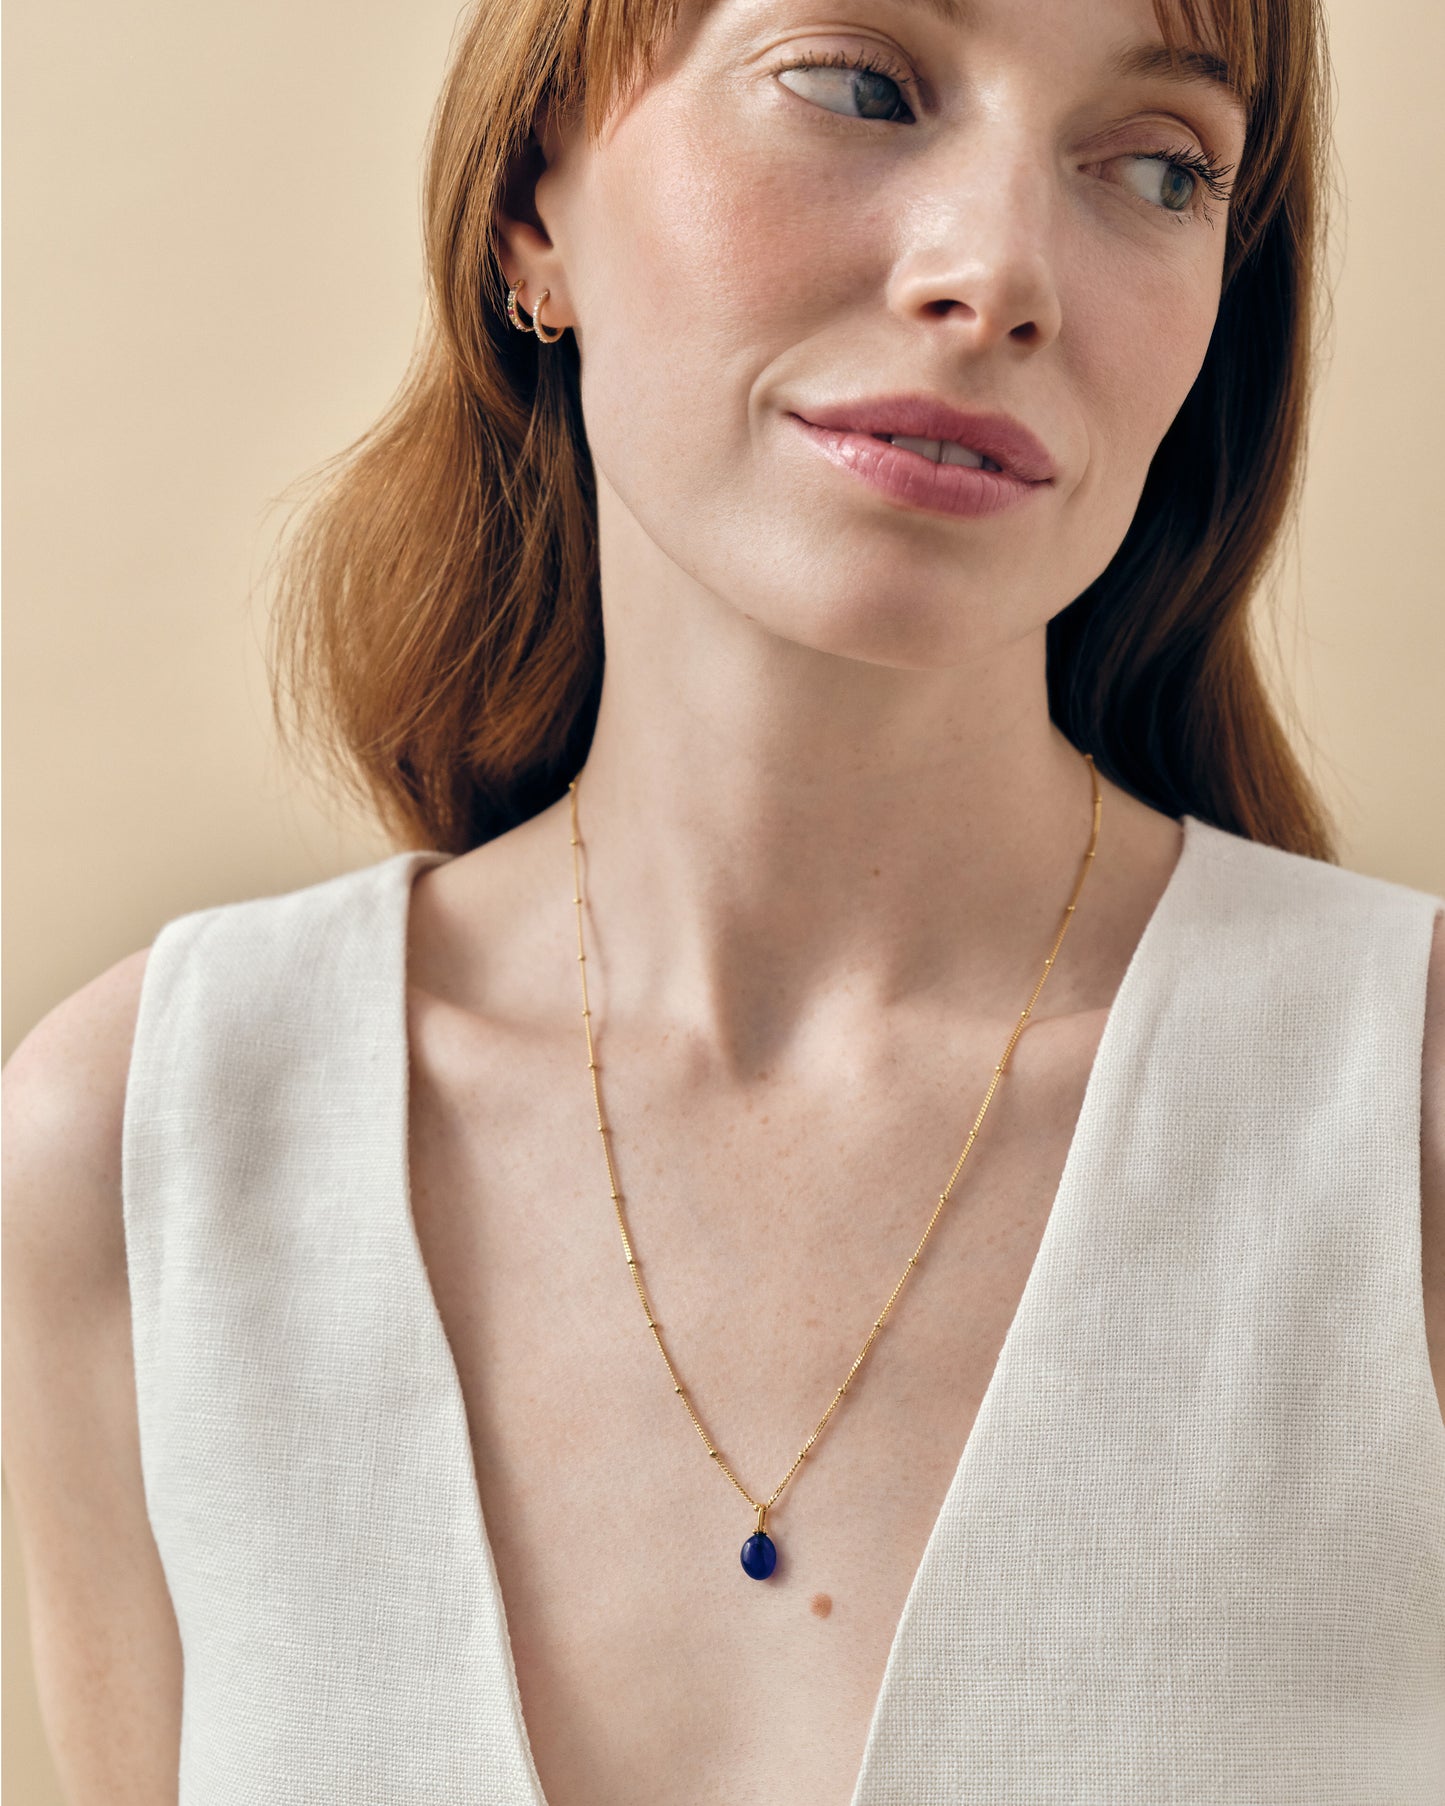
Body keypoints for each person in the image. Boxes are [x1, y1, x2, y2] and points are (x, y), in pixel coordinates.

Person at [5, 0, 1443, 1799]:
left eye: (1158, 168)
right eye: (858, 85)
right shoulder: (141, 1149)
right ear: (533, 204)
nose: (996, 273)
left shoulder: (1406, 1130)